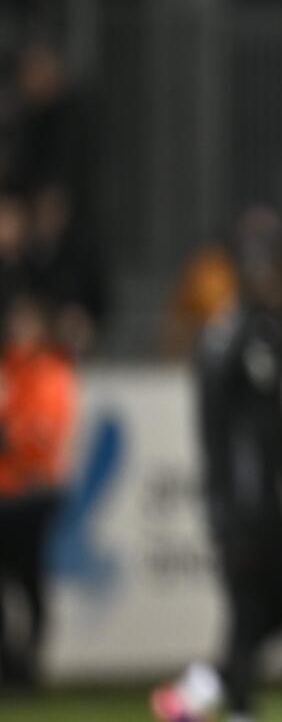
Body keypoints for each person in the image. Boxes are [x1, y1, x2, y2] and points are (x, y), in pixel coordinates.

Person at [151, 215, 282, 722]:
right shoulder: (230, 337)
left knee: (281, 609)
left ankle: (198, 689)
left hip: (264, 496)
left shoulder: (265, 334)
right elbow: (216, 427)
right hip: (242, 498)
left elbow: (281, 424)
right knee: (249, 609)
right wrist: (221, 500)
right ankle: (237, 708)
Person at [0, 293, 76, 689]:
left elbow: (44, 434)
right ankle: (10, 665)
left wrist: (11, 438)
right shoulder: (8, 371)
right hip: (5, 492)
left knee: (30, 582)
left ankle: (27, 666)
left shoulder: (51, 373)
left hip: (32, 494)